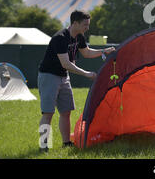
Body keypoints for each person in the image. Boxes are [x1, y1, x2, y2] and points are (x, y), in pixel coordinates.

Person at [38, 10, 115, 151]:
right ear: (75, 23)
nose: (87, 27)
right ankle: (44, 146)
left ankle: (66, 143)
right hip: (49, 76)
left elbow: (86, 52)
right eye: (85, 24)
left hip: (63, 77)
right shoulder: (60, 38)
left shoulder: (79, 37)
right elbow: (66, 64)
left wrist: (103, 51)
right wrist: (86, 74)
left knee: (66, 111)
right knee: (48, 113)